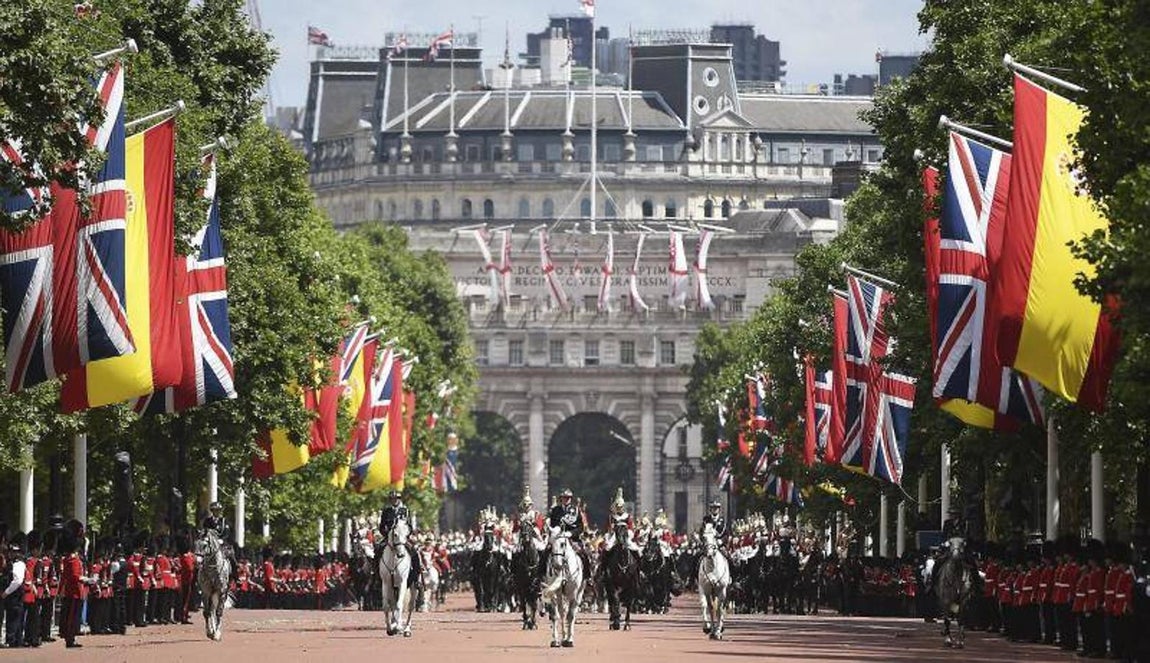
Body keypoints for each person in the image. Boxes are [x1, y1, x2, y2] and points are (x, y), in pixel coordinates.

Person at [378, 490, 420, 582]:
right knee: (378, 549)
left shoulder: (406, 511)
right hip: (389, 538)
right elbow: (381, 526)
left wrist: (405, 535)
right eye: (392, 499)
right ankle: (376, 575)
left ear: (399, 499)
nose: (394, 500)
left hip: (402, 538)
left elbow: (410, 526)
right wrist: (387, 535)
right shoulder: (386, 511)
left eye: (395, 498)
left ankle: (416, 577)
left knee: (415, 551)